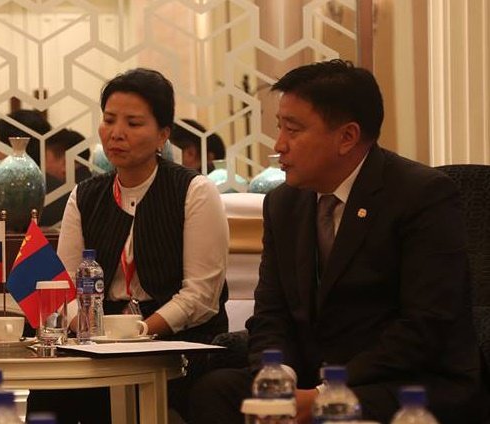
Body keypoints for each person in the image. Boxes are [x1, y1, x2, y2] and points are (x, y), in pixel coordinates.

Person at [189, 59, 486, 423]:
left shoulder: (421, 195)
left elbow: (425, 325)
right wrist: (279, 381)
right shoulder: (284, 203)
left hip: (403, 380)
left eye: (293, 130)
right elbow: (271, 314)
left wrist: (323, 393)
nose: (279, 145)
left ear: (347, 137)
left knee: (334, 411)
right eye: (279, 127)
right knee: (216, 391)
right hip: (311, 377)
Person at [27, 68, 230, 423]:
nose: (116, 133)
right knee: (49, 389)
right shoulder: (85, 195)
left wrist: (139, 332)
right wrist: (91, 331)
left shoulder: (194, 191)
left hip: (176, 341)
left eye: (133, 123)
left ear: (163, 134)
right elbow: (64, 287)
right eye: (109, 120)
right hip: (99, 337)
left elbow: (200, 296)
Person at [40, 128, 92, 227]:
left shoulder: (57, 201)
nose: (43, 166)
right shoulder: (99, 189)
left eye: (45, 158)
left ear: (65, 162)